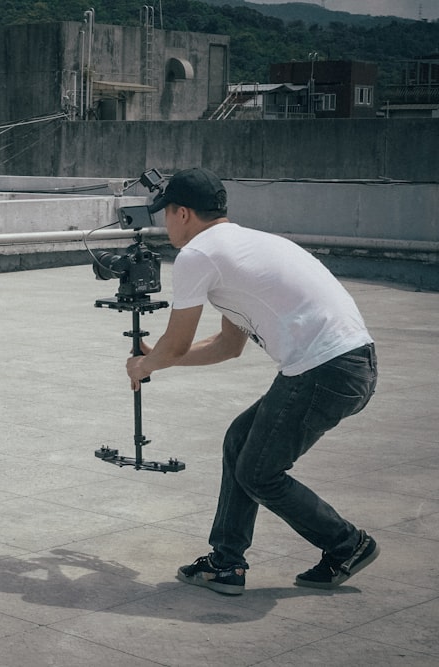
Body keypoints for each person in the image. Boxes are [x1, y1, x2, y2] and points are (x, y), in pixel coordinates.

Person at [126, 167, 378, 595]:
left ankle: (347, 543)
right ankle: (225, 563)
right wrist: (160, 359)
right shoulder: (245, 246)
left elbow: (177, 341)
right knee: (241, 442)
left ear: (182, 213)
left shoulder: (197, 255)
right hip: (348, 364)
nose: (162, 223)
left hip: (324, 369)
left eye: (165, 212)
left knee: (260, 473)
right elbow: (228, 346)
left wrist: (145, 366)